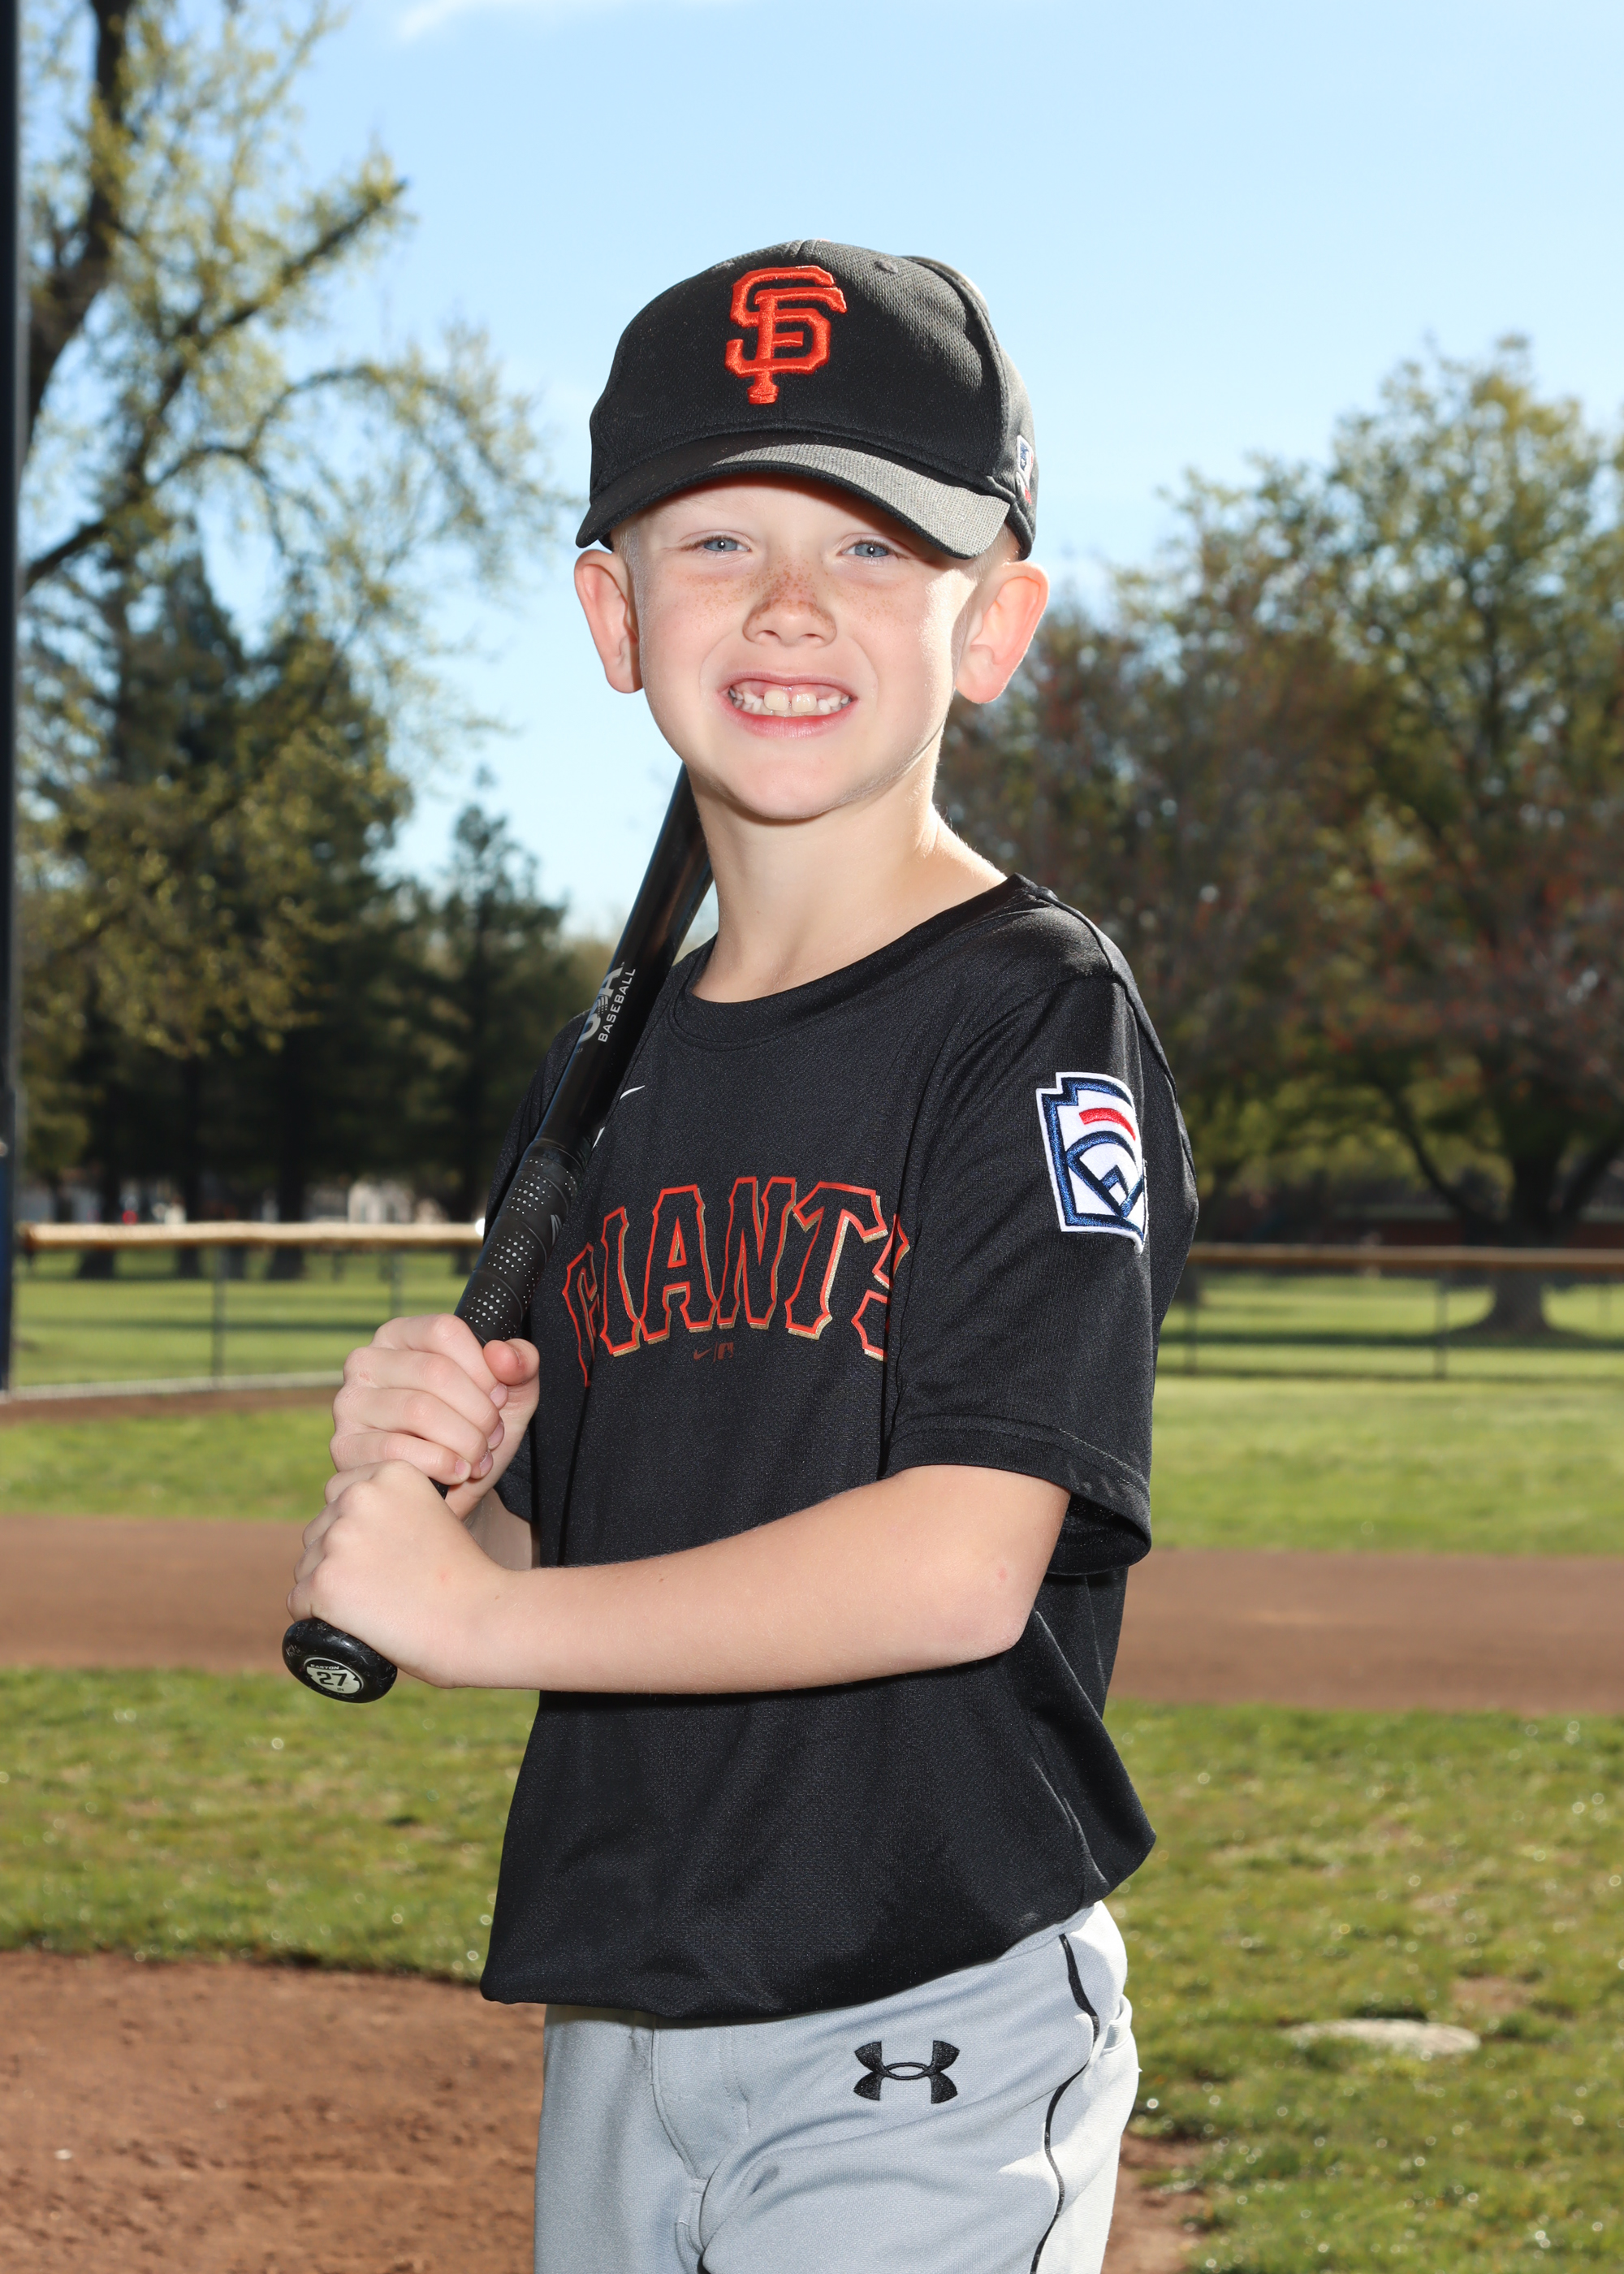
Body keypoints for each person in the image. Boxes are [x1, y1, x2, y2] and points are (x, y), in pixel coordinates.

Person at [289, 240, 1198, 2274]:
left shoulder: (1029, 1018)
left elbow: (961, 1559)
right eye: (717, 537)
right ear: (615, 613)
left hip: (920, 1997)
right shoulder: (601, 1071)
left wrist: (479, 1613)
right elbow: (569, 1544)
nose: (791, 600)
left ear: (995, 624)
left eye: (874, 544)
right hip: (628, 1988)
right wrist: (450, 1489)